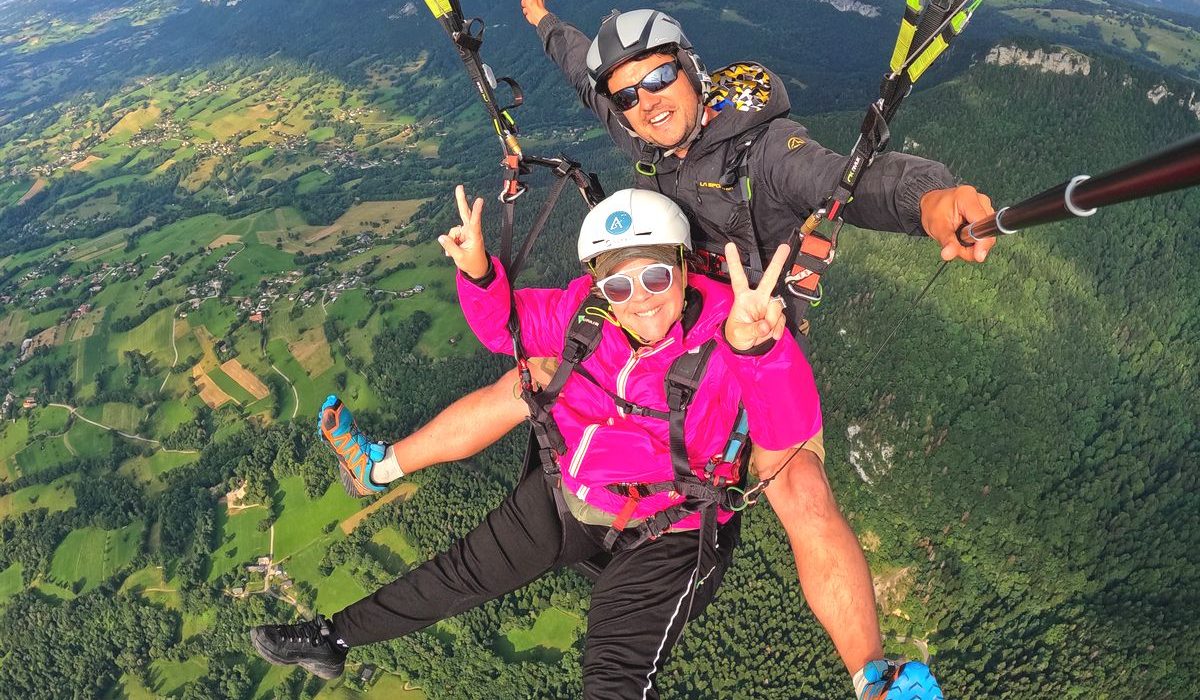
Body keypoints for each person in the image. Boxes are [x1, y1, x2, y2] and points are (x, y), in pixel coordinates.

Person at [315, 5, 982, 695]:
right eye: (628, 94)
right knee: (534, 379)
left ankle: (873, 676)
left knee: (801, 489)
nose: (645, 100)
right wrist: (541, 16)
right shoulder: (649, 129)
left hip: (749, 343)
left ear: (691, 71)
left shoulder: (766, 154)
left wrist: (933, 202)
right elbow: (584, 72)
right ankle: (381, 468)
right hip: (660, 317)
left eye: (659, 78)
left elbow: (847, 182)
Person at [251, 186, 823, 698]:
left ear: (681, 266)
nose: (641, 298)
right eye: (619, 284)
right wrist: (479, 275)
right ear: (601, 284)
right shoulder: (588, 314)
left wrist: (759, 350)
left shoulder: (729, 330)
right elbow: (508, 329)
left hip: (674, 527)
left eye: (655, 276)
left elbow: (788, 430)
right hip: (574, 495)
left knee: (614, 675)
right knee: (458, 573)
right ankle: (333, 638)